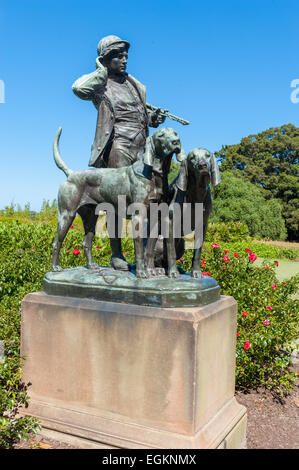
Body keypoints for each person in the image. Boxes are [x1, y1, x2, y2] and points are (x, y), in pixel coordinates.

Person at [72, 35, 166, 270]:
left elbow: (141, 115)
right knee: (116, 202)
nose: (124, 60)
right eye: (118, 56)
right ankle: (117, 254)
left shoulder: (135, 85)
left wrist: (154, 118)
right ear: (106, 59)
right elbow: (78, 89)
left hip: (142, 148)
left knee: (150, 198)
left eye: (126, 56)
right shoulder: (100, 82)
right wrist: (101, 70)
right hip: (118, 145)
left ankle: (148, 252)